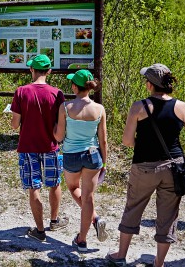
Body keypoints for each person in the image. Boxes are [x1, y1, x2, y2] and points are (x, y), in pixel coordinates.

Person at [107, 64, 185, 267]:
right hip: (173, 167)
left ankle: (121, 254)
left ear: (150, 85)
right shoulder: (182, 107)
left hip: (144, 166)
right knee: (168, 215)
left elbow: (127, 141)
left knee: (133, 207)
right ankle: (159, 263)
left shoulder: (139, 107)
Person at [10, 54, 69, 243]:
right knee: (54, 183)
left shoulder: (21, 92)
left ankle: (40, 230)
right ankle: (54, 220)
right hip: (50, 145)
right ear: (49, 71)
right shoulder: (57, 93)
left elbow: (14, 124)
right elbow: (61, 124)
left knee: (34, 186)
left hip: (28, 146)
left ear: (31, 70)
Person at [53, 69, 108, 252]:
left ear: (74, 87)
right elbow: (103, 140)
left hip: (71, 155)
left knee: (72, 188)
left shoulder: (66, 107)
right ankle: (82, 240)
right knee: (88, 196)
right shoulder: (99, 109)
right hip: (93, 155)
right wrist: (104, 164)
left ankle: (95, 218)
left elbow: (59, 137)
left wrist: (52, 129)